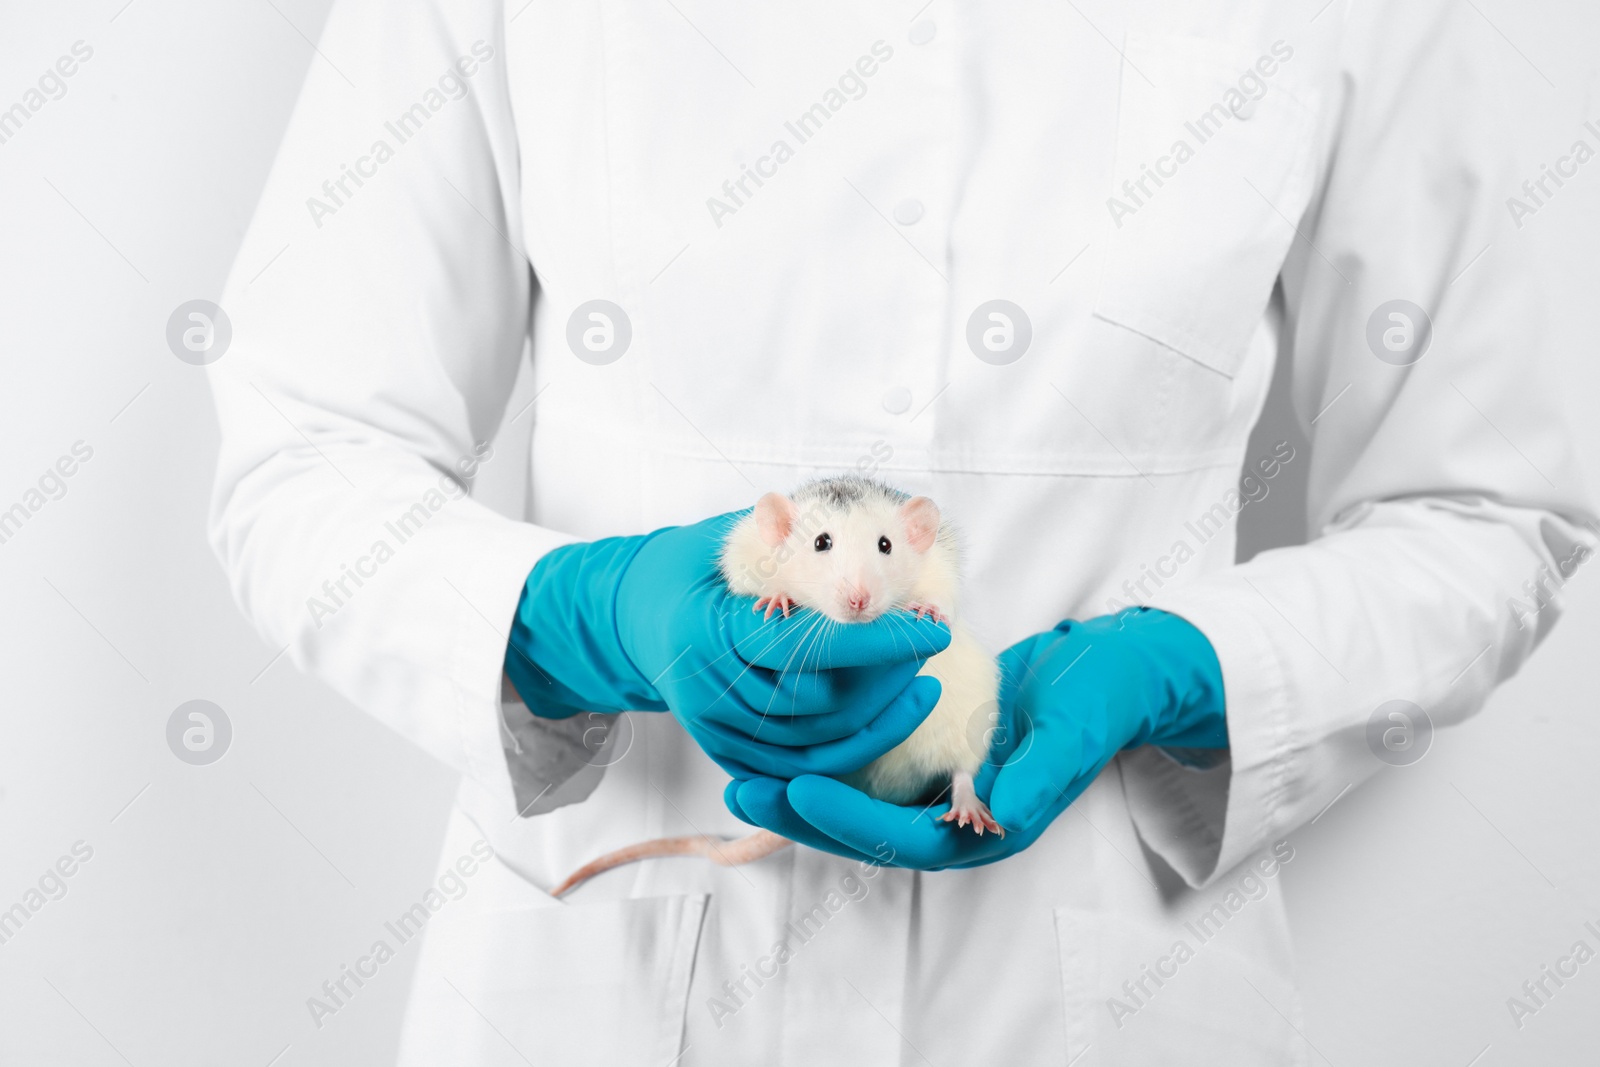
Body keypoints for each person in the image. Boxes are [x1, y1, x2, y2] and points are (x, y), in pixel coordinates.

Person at [208, 1, 1593, 1063]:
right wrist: (580, 616)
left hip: (1092, 995)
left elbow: (1487, 505)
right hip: (601, 987)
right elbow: (304, 449)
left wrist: (1196, 669)